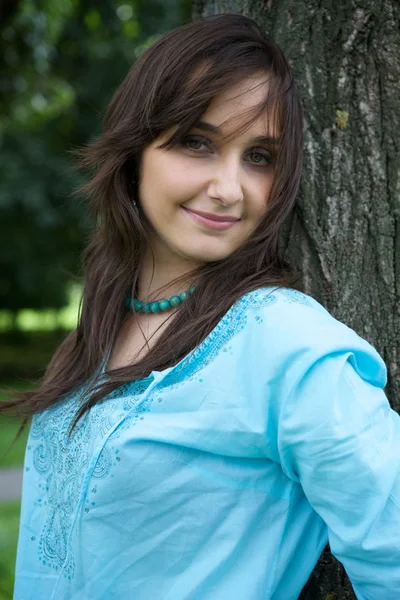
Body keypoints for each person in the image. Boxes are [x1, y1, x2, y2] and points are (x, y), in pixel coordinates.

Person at [3, 13, 399, 600]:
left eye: (259, 157)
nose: (228, 189)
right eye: (198, 142)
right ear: (136, 149)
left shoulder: (288, 345)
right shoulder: (101, 324)